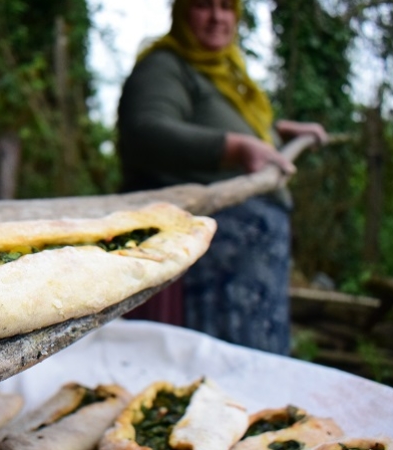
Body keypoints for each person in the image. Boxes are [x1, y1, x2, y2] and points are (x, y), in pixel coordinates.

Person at [116, 0, 328, 355]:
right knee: (215, 366)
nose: (218, 17)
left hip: (252, 268)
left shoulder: (227, 72)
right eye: (203, 5)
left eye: (227, 7)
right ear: (182, 13)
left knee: (255, 365)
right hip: (212, 269)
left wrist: (275, 133)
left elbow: (222, 123)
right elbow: (145, 131)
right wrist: (232, 148)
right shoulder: (165, 66)